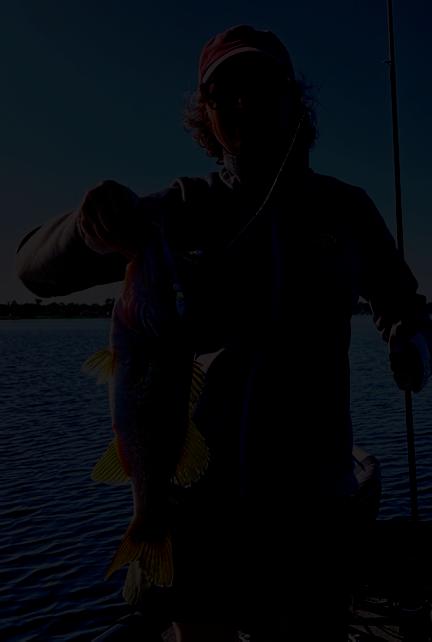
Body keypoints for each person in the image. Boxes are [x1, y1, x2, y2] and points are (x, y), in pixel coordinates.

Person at [16, 24, 432, 641]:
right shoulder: (184, 209)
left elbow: (400, 299)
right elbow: (32, 270)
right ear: (205, 116)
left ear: (294, 98)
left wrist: (407, 335)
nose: (244, 102)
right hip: (201, 501)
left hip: (314, 498)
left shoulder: (346, 209)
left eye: (261, 85)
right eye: (224, 92)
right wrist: (87, 225)